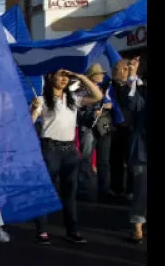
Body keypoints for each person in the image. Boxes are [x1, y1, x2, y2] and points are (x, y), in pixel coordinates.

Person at [30, 68, 103, 245]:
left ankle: (73, 230)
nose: (64, 79)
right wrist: (33, 109)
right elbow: (29, 123)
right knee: (47, 191)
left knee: (70, 193)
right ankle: (42, 229)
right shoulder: (42, 99)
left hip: (70, 150)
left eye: (66, 76)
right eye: (60, 75)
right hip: (50, 148)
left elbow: (97, 96)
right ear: (50, 76)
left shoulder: (74, 99)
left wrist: (80, 77)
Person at [111, 59, 147, 244]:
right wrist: (132, 75)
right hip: (142, 152)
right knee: (141, 190)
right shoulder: (141, 95)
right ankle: (137, 227)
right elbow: (132, 103)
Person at [77, 63, 116, 199]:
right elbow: (79, 112)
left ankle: (104, 189)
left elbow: (112, 104)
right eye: (99, 74)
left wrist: (108, 105)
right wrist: (93, 111)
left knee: (104, 160)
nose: (102, 75)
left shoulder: (106, 90)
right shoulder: (81, 91)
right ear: (93, 77)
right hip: (88, 128)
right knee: (86, 159)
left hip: (104, 128)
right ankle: (83, 190)